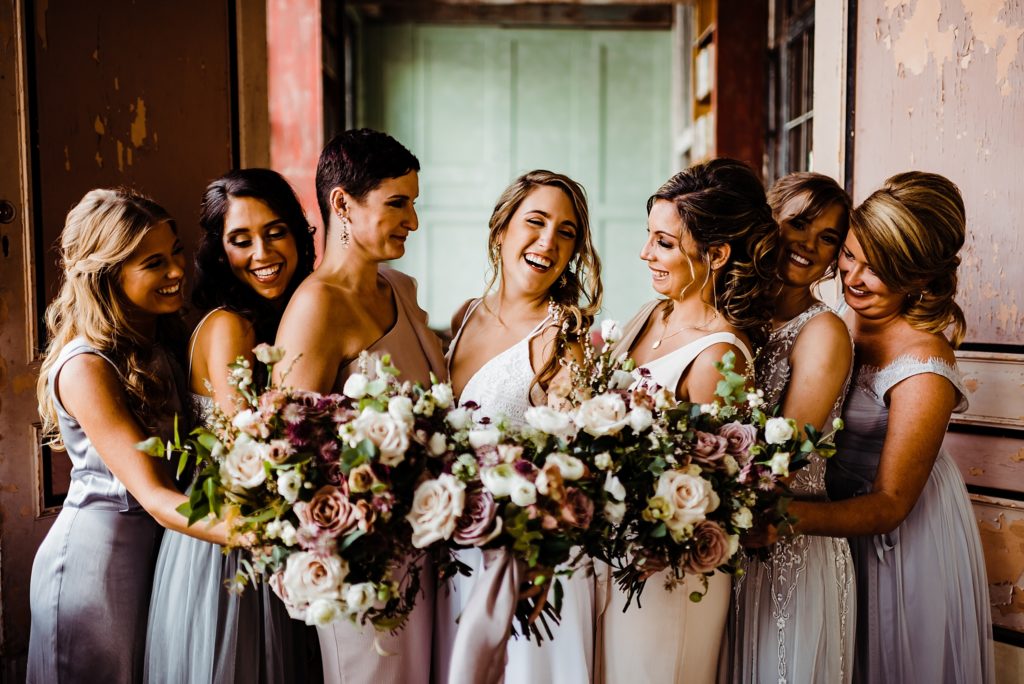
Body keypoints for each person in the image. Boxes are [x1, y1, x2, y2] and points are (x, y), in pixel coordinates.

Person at [763, 171, 993, 683]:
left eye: (879, 269)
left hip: (899, 539)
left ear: (920, 278)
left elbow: (891, 504)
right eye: (849, 255)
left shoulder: (924, 364)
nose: (854, 278)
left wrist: (778, 519)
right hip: (831, 522)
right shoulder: (834, 320)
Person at [28, 189, 230, 684]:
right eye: (154, 263)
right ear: (107, 276)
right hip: (97, 568)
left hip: (163, 557)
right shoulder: (87, 366)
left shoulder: (166, 341)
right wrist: (261, 533)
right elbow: (156, 496)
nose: (178, 271)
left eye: (176, 252)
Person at [596, 158, 779, 684]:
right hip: (618, 561)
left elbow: (714, 493)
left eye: (664, 243)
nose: (645, 253)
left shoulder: (719, 356)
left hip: (669, 573)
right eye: (648, 236)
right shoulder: (652, 315)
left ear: (716, 254)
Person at [274, 129, 446, 684]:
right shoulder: (316, 307)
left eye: (413, 204)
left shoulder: (400, 289)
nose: (412, 221)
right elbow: (288, 452)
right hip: (362, 563)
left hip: (428, 546)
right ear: (342, 204)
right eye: (397, 204)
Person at [144, 169, 319, 683]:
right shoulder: (228, 326)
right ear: (221, 252)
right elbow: (250, 451)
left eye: (275, 232)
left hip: (274, 525)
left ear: (298, 233)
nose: (262, 253)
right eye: (241, 240)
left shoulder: (284, 317)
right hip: (229, 536)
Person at [438, 170, 603, 684]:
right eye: (535, 221)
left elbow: (576, 466)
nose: (548, 241)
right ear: (501, 230)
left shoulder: (562, 338)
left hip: (526, 560)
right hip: (457, 547)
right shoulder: (466, 315)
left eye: (566, 232)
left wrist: (536, 554)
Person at [726, 172, 856, 683]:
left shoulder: (823, 332)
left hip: (788, 551)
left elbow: (782, 464)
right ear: (769, 221)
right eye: (799, 224)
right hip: (731, 544)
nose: (809, 244)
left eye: (828, 238)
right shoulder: (736, 316)